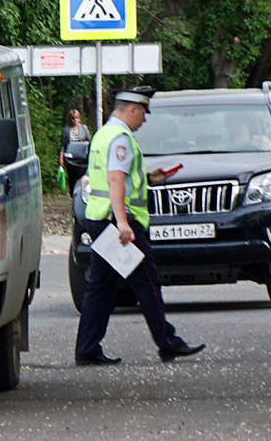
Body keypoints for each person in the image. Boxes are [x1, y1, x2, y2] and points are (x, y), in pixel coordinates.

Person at [74, 87, 205, 365]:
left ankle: (87, 348)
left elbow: (114, 178)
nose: (144, 120)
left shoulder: (103, 134)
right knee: (147, 283)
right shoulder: (121, 138)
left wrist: (147, 178)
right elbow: (114, 180)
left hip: (99, 218)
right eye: (143, 113)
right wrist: (123, 223)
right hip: (118, 223)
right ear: (131, 110)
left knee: (101, 288)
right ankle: (168, 343)